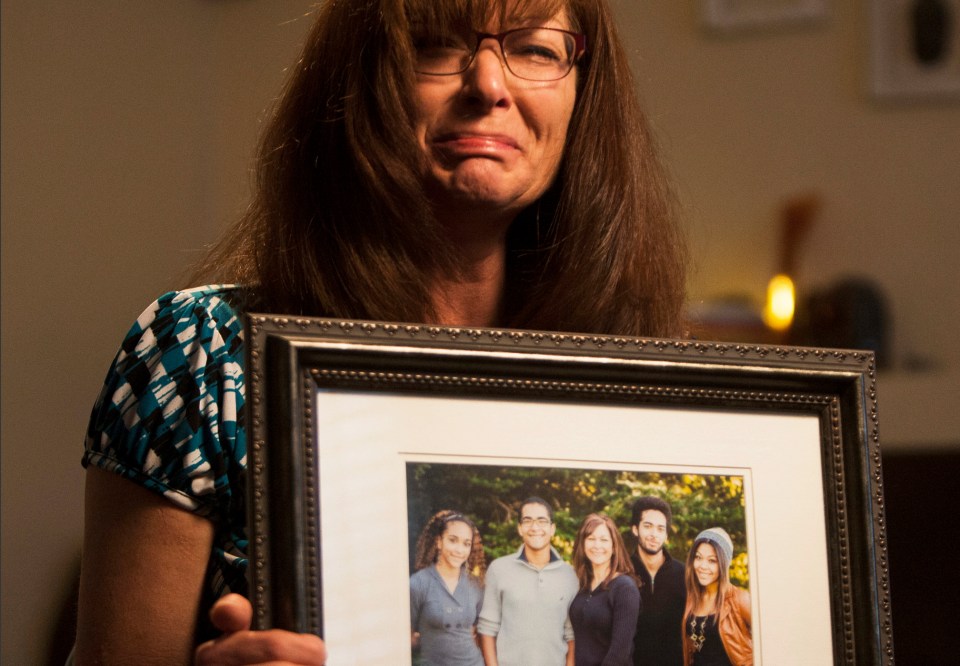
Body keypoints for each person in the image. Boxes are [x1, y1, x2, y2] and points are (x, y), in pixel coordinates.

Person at [73, 0, 688, 663]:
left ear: (581, 95)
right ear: (360, 85)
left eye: (536, 49)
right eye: (431, 44)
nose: (488, 84)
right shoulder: (200, 352)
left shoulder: (635, 382)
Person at [477, 497, 579, 665]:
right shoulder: (499, 569)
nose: (535, 527)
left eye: (542, 521)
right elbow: (487, 628)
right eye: (527, 521)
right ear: (519, 528)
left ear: (552, 529)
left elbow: (571, 634)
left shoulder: (570, 575)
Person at [410, 510, 487, 665]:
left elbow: (479, 632)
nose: (459, 550)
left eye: (466, 544)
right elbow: (405, 638)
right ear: (439, 542)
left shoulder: (475, 584)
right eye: (453, 540)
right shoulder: (418, 583)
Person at [568, 513, 641, 666]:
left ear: (614, 547)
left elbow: (620, 653)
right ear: (582, 543)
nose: (597, 546)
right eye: (591, 539)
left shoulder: (624, 588)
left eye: (604, 540)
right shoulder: (581, 585)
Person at [629, 496, 686, 666]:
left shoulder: (684, 574)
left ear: (666, 534)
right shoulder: (622, 572)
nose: (654, 534)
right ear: (635, 529)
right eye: (648, 526)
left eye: (661, 529)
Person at [681, 528, 752, 666]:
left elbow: (769, 641)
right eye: (698, 557)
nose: (703, 566)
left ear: (724, 564)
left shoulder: (739, 599)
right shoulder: (693, 597)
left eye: (712, 561)